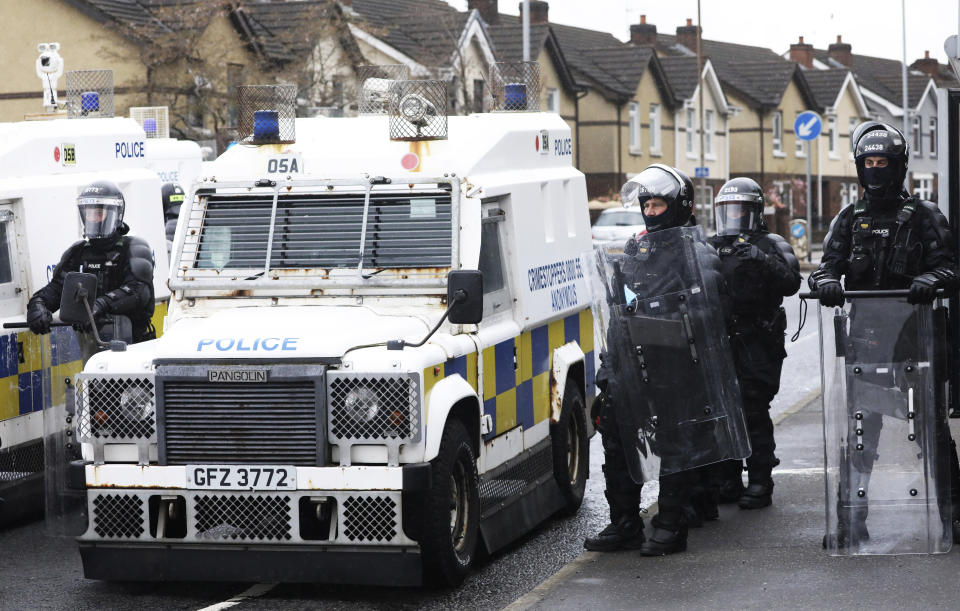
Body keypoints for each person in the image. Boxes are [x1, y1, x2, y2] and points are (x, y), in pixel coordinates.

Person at [809, 121, 960, 545]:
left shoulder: (925, 216)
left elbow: (950, 268)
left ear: (898, 166)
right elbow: (828, 265)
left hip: (917, 335)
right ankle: (849, 519)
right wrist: (825, 283)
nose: (875, 170)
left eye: (883, 162)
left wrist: (933, 280)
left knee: (930, 428)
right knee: (860, 429)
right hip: (868, 338)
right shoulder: (848, 218)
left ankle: (953, 515)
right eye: (868, 162)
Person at [585, 164, 745, 556]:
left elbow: (711, 315)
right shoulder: (635, 253)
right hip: (634, 369)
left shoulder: (698, 255)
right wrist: (610, 368)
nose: (652, 211)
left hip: (678, 371)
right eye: (647, 204)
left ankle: (671, 525)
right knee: (617, 441)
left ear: (678, 206)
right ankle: (624, 523)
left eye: (659, 204)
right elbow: (618, 313)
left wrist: (663, 323)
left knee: (677, 448)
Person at [708, 178, 801, 509]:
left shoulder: (771, 242)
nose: (733, 218)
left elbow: (791, 283)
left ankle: (761, 479)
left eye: (740, 211)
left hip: (758, 340)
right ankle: (729, 478)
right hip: (720, 341)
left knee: (753, 408)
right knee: (722, 411)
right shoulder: (711, 244)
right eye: (728, 211)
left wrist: (761, 258)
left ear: (755, 212)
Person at [27, 180, 156, 362]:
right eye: (89, 213)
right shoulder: (77, 253)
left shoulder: (134, 247)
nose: (93, 219)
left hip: (135, 351)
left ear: (115, 214)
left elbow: (139, 291)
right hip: (93, 355)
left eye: (99, 213)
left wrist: (100, 305)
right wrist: (37, 307)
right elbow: (54, 291)